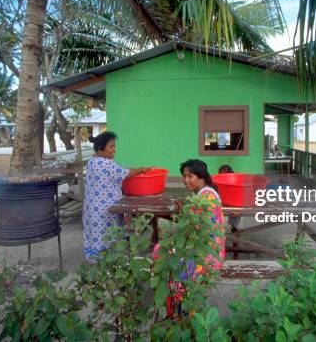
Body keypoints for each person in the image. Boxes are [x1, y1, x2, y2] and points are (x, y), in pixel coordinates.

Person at [154, 159, 225, 318]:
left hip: (207, 254)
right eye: (184, 176)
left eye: (190, 176)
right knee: (161, 250)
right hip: (203, 246)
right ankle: (178, 305)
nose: (186, 180)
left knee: (166, 257)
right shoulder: (204, 193)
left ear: (201, 176)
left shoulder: (207, 197)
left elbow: (197, 231)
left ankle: (183, 310)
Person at [83, 131, 149, 262]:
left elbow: (119, 171)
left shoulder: (92, 161)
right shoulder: (108, 164)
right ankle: (107, 263)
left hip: (91, 208)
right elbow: (126, 173)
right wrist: (141, 169)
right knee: (108, 235)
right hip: (105, 210)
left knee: (95, 234)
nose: (114, 150)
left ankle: (95, 261)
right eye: (111, 147)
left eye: (115, 146)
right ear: (101, 148)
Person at [218, 164, 241, 230]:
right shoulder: (220, 181)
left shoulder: (235, 180)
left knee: (235, 213)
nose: (223, 177)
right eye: (221, 175)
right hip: (225, 202)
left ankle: (234, 228)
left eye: (224, 175)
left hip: (234, 203)